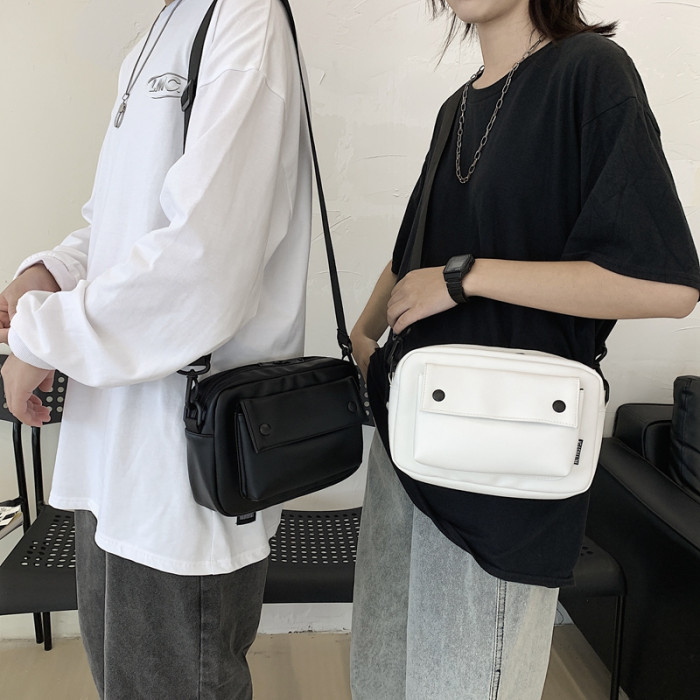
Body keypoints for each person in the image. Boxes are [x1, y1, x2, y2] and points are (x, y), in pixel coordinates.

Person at [349, 1, 700, 698]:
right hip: (407, 440)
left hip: (504, 459)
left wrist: (467, 279)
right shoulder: (456, 108)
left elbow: (665, 284)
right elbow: (411, 253)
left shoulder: (590, 73)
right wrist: (364, 335)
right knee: (382, 676)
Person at [0, 0, 311, 697]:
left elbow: (204, 266)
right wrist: (48, 273)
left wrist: (39, 337)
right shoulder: (157, 33)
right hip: (112, 459)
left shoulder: (245, 17)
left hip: (184, 473)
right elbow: (118, 223)